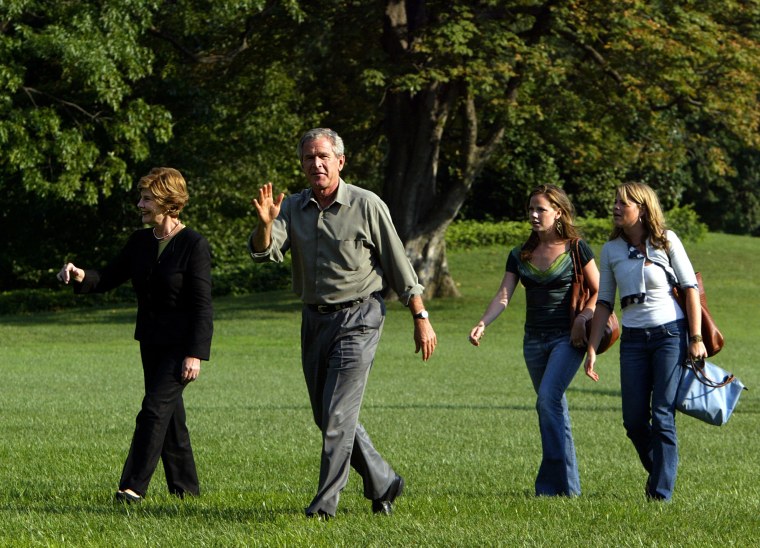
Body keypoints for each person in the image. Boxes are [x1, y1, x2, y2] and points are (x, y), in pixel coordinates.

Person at [248, 128, 437, 519]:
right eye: (307, 158)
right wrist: (267, 223)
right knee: (327, 415)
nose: (315, 164)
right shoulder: (292, 207)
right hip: (314, 320)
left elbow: (400, 266)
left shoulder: (367, 205)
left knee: (336, 416)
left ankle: (323, 507)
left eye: (322, 156)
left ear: (339, 161)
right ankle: (384, 480)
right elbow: (265, 252)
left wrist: (420, 316)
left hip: (360, 318)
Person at [56, 167, 213, 504]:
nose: (139, 204)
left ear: (168, 202)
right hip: (150, 343)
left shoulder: (193, 244)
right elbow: (108, 276)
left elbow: (202, 305)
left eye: (146, 198)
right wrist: (80, 274)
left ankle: (132, 488)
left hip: (180, 347)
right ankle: (186, 490)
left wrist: (195, 353)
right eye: (141, 198)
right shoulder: (140, 242)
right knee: (169, 417)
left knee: (153, 410)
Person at [468, 184, 598, 497]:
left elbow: (599, 292)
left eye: (541, 209)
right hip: (533, 342)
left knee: (547, 400)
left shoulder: (577, 248)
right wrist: (483, 322)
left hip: (567, 339)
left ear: (559, 213)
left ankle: (549, 486)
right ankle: (569, 488)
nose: (534, 215)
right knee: (553, 407)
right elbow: (504, 295)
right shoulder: (520, 254)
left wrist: (583, 318)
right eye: (531, 209)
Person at [584, 182, 706, 501]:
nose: (616, 208)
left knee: (663, 413)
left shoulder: (667, 241)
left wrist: (695, 338)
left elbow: (690, 289)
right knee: (634, 420)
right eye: (615, 202)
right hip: (634, 340)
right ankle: (661, 471)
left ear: (642, 208)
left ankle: (660, 494)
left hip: (671, 334)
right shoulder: (611, 250)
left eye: (623, 203)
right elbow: (605, 302)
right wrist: (593, 349)